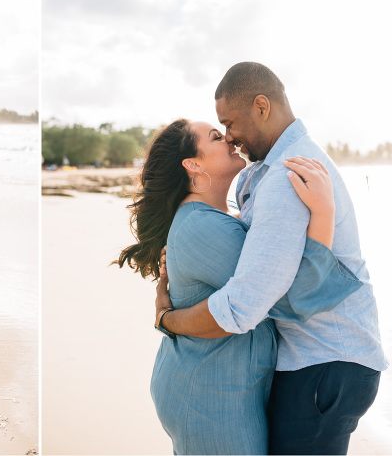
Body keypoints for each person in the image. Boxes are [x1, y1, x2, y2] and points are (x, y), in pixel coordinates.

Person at [156, 62, 387, 454]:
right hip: (321, 360)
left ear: (261, 107)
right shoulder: (267, 171)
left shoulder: (287, 175)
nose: (230, 137)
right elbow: (256, 252)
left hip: (323, 361)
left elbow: (249, 305)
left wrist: (168, 319)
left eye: (229, 124)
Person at [116, 117, 361, 454]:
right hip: (210, 397)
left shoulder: (213, 219)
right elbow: (289, 298)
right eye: (216, 137)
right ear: (193, 164)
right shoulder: (203, 226)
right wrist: (324, 213)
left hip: (215, 386)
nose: (230, 139)